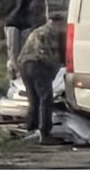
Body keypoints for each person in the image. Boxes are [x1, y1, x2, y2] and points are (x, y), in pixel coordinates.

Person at [18, 14, 67, 146]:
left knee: (34, 98)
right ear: (57, 23)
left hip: (24, 65)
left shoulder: (38, 30)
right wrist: (58, 67)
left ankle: (31, 128)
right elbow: (48, 56)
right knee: (46, 98)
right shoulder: (50, 34)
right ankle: (45, 133)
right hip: (38, 65)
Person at [5, 0, 39, 80]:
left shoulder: (27, 18)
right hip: (17, 67)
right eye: (32, 2)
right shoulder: (14, 21)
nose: (34, 5)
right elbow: (13, 49)